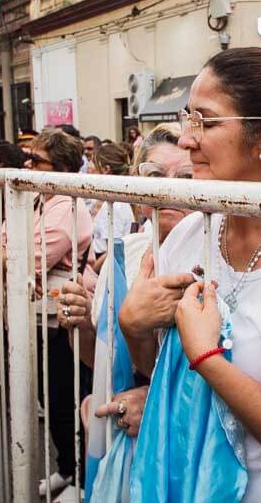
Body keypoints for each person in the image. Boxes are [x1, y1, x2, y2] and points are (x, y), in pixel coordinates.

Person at [118, 47, 261, 502]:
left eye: (205, 122)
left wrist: (209, 358)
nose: (187, 140)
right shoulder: (189, 233)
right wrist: (134, 325)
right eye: (188, 119)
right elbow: (162, 374)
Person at [56, 122, 192, 439]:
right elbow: (99, 360)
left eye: (186, 178)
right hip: (121, 434)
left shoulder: (214, 263)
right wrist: (82, 324)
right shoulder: (126, 253)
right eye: (155, 176)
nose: (168, 188)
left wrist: (156, 401)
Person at [0, 129, 97, 500]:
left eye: (36, 160)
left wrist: (3, 256)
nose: (28, 164)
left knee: (67, 402)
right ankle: (67, 468)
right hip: (38, 317)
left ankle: (80, 478)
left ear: (61, 167)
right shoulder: (35, 201)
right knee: (51, 400)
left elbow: (23, 257)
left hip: (63, 322)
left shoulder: (67, 207)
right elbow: (0, 244)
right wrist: (2, 255)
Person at [89, 142, 136, 260]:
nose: (88, 166)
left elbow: (113, 253)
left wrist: (91, 269)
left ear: (106, 169)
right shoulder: (109, 200)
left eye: (92, 162)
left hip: (102, 268)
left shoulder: (114, 206)